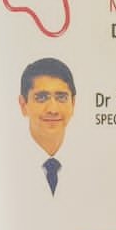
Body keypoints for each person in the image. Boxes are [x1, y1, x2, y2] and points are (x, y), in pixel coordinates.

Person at [18, 57, 76, 195]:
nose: (53, 110)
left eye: (61, 97)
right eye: (42, 98)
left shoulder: (91, 162)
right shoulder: (3, 164)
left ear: (73, 104)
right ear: (23, 105)